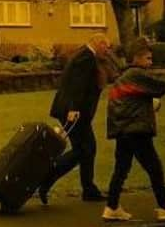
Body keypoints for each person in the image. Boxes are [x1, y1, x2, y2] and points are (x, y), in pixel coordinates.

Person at [102, 38, 165, 221]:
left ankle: (111, 207)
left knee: (121, 169)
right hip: (136, 130)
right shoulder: (136, 74)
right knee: (154, 168)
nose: (150, 63)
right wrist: (151, 100)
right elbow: (161, 87)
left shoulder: (122, 77)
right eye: (148, 59)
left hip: (123, 130)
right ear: (137, 58)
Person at [38, 33, 113, 204]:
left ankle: (88, 190)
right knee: (84, 150)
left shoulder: (86, 55)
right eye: (106, 47)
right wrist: (73, 108)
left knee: (87, 149)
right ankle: (47, 177)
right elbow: (75, 84)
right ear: (98, 43)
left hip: (76, 112)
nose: (107, 51)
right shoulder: (86, 57)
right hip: (73, 112)